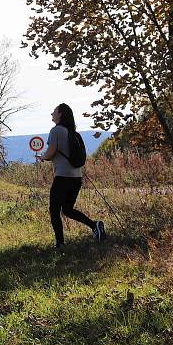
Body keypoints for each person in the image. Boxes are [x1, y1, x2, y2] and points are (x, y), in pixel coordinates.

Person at [39, 103, 105, 248]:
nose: (52, 114)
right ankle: (95, 225)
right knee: (67, 209)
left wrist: (42, 157)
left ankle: (60, 243)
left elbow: (51, 153)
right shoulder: (74, 133)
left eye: (54, 111)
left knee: (54, 210)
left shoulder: (56, 131)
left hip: (62, 177)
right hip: (76, 177)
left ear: (60, 114)